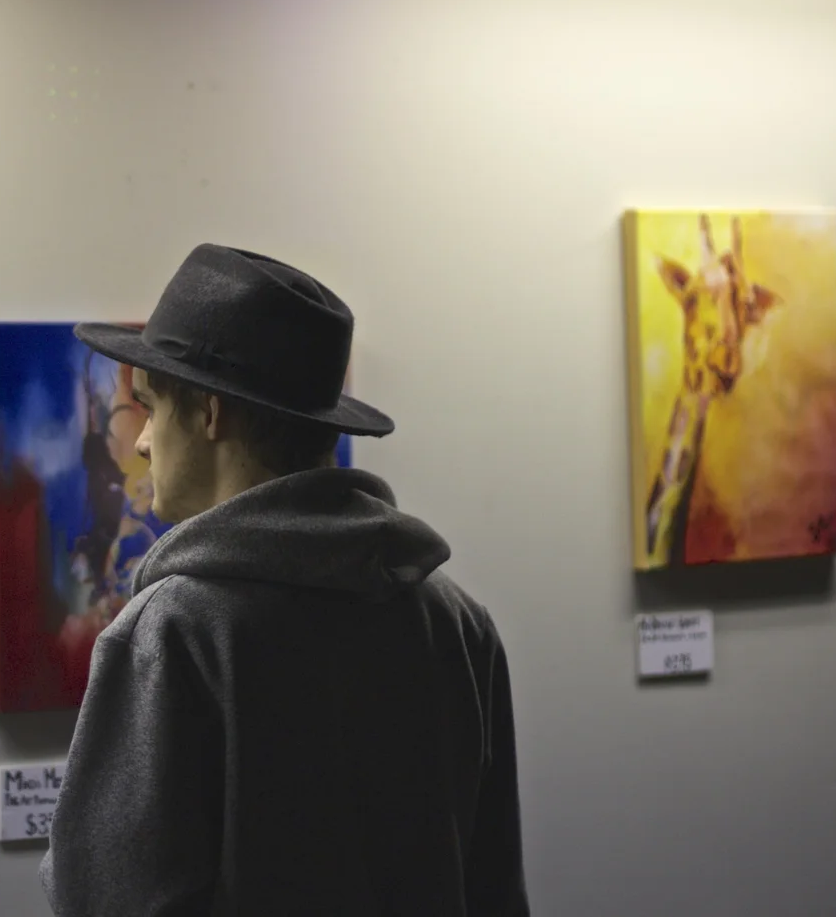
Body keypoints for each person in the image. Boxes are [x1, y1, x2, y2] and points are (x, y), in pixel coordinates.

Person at [38, 244, 530, 916]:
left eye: (151, 407)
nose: (144, 441)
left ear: (209, 413)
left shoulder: (175, 632)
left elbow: (105, 902)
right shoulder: (459, 624)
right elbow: (496, 894)